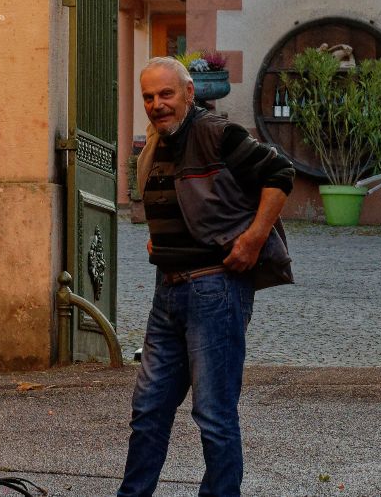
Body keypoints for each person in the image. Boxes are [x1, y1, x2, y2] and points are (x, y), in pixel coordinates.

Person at [117, 57, 294, 497]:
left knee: (213, 414)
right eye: (149, 97)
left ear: (189, 93)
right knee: (148, 409)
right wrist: (162, 239)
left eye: (166, 94)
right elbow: (182, 203)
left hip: (215, 288)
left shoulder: (217, 133)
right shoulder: (154, 145)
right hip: (169, 291)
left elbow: (280, 174)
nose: (157, 104)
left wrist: (253, 239)